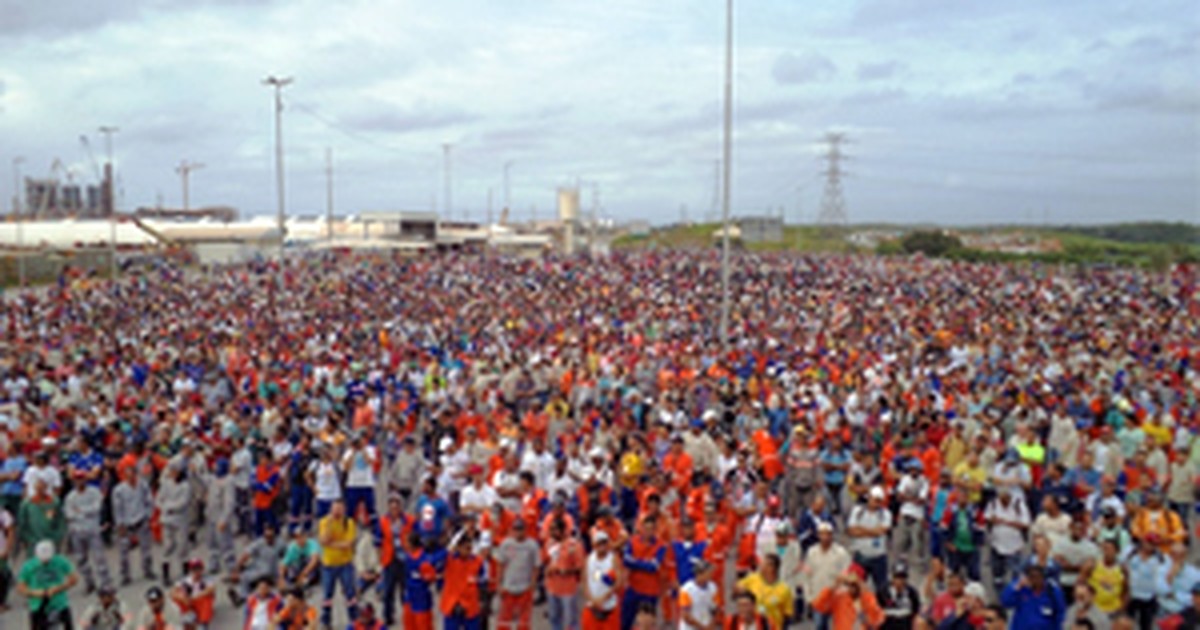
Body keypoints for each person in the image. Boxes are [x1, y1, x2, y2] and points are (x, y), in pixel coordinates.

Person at [64, 470, 111, 595]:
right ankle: (89, 582)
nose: (79, 481)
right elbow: (69, 514)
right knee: (81, 559)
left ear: (86, 479)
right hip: (77, 531)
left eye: (82, 479)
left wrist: (80, 511)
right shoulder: (70, 497)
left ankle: (105, 583)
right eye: (77, 479)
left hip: (93, 529)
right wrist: (83, 513)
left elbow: (96, 508)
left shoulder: (94, 492)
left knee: (99, 557)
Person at [17, 540, 78, 630]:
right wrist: (35, 593)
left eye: (48, 560)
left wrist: (58, 588)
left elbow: (74, 579)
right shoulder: (28, 566)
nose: (46, 562)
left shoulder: (60, 561)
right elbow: (20, 588)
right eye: (43, 560)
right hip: (37, 605)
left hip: (59, 603)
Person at [317, 498, 359, 627]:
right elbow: (323, 540)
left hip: (345, 563)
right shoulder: (324, 522)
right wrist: (330, 524)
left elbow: (348, 544)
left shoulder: (349, 522)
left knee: (350, 593)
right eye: (334, 508)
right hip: (328, 564)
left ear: (344, 510)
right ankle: (326, 620)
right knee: (327, 594)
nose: (337, 511)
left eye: (339, 508)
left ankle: (354, 619)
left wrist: (331, 544)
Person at [112, 466, 156, 586]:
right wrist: (120, 524)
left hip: (141, 520)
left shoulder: (143, 486)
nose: (130, 477)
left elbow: (150, 501)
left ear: (136, 474)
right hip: (126, 524)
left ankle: (148, 570)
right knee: (123, 553)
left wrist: (148, 516)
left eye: (132, 475)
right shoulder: (119, 490)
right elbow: (117, 508)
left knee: (146, 550)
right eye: (127, 475)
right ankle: (125, 575)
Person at [622, 514, 666, 630]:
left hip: (650, 592)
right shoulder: (632, 541)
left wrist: (635, 562)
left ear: (655, 530)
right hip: (633, 589)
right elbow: (626, 561)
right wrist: (645, 563)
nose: (648, 531)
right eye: (646, 528)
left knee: (647, 625)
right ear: (641, 528)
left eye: (651, 529)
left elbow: (654, 567)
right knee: (625, 622)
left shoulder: (661, 546)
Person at [804, 522, 851, 630]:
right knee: (819, 625)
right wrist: (809, 597)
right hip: (818, 596)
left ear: (832, 535)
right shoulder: (812, 552)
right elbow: (807, 575)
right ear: (818, 535)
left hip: (836, 597)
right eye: (822, 534)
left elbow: (847, 574)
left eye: (828, 534)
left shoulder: (841, 553)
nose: (825, 537)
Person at [496, 517, 540, 630]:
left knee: (524, 623)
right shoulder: (506, 544)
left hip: (525, 588)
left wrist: (532, 584)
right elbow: (500, 565)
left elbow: (536, 566)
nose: (518, 532)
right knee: (504, 622)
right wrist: (499, 584)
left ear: (525, 529)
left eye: (520, 529)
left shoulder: (532, 545)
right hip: (508, 588)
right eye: (515, 529)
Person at [810, 564, 884, 630]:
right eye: (847, 583)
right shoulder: (839, 597)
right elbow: (818, 606)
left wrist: (864, 593)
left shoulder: (867, 598)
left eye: (853, 584)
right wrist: (833, 587)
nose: (850, 587)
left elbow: (878, 619)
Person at [229, 522, 285, 606]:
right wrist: (237, 569)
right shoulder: (261, 543)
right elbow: (246, 555)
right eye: (267, 536)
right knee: (245, 570)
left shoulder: (280, 543)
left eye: (270, 536)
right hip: (265, 571)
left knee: (244, 577)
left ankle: (243, 597)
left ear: (274, 533)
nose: (268, 538)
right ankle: (245, 592)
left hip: (266, 572)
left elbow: (287, 555)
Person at [847, 486, 892, 589]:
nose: (875, 503)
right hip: (860, 555)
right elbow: (851, 530)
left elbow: (881, 531)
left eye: (878, 500)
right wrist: (873, 532)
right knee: (855, 586)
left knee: (882, 588)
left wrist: (861, 529)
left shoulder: (886, 514)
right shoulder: (858, 511)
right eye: (874, 499)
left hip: (878, 556)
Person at [544, 517, 585, 630]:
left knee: (571, 620)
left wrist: (565, 571)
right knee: (554, 618)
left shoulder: (574, 545)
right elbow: (546, 561)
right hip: (552, 588)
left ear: (563, 530)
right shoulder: (549, 543)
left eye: (554, 529)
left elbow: (580, 567)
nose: (551, 532)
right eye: (550, 529)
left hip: (568, 589)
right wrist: (548, 569)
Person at [442, 530, 487, 630]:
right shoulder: (449, 560)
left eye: (470, 548)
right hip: (451, 605)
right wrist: (449, 548)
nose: (469, 551)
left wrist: (483, 601)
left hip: (471, 607)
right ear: (458, 547)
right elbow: (434, 560)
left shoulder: (478, 562)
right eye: (466, 548)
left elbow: (483, 582)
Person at [156, 463, 191, 588]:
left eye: (175, 471)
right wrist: (165, 507)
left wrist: (169, 506)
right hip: (166, 519)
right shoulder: (166, 484)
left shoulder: (185, 486)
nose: (172, 473)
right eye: (171, 471)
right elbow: (159, 499)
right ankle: (165, 574)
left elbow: (183, 502)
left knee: (183, 545)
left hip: (180, 518)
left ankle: (186, 573)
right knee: (168, 546)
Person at [738, 554, 794, 630]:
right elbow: (737, 588)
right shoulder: (753, 578)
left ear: (772, 568)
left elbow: (787, 615)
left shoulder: (784, 589)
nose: (760, 566)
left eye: (763, 564)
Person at [999, 565, 1065, 630]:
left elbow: (1060, 614)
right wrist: (1017, 587)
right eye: (1032, 577)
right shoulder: (1021, 588)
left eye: (1038, 577)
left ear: (1043, 577)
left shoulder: (1053, 591)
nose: (1035, 580)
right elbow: (1005, 602)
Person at [582, 529, 622, 630]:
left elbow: (618, 582)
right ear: (594, 545)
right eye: (599, 543)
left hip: (609, 608)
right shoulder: (589, 559)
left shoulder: (613, 559)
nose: (602, 546)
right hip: (592, 607)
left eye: (604, 543)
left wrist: (603, 598)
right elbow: (585, 581)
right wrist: (592, 599)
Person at [204, 457, 237, 575]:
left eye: (216, 465)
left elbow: (230, 503)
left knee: (225, 543)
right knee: (211, 542)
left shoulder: (228, 481)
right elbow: (203, 480)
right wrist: (194, 473)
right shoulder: (213, 479)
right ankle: (214, 563)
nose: (214, 467)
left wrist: (224, 519)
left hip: (221, 517)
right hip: (211, 515)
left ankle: (231, 567)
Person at [171, 558, 216, 630]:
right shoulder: (184, 580)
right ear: (190, 570)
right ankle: (185, 618)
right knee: (177, 596)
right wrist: (182, 598)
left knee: (207, 598)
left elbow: (211, 589)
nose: (197, 571)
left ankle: (203, 623)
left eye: (198, 568)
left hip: (199, 602)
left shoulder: (206, 578)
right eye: (194, 569)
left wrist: (195, 596)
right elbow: (173, 593)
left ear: (202, 569)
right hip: (188, 602)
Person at [878, 562, 921, 630]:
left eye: (902, 577)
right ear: (893, 578)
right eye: (897, 577)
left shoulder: (912, 593)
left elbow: (916, 613)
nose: (900, 581)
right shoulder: (883, 592)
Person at [679, 558, 719, 630]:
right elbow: (685, 616)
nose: (711, 574)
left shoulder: (713, 587)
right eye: (709, 572)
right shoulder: (686, 590)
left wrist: (711, 624)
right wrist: (702, 628)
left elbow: (716, 609)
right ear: (699, 574)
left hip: (707, 625)